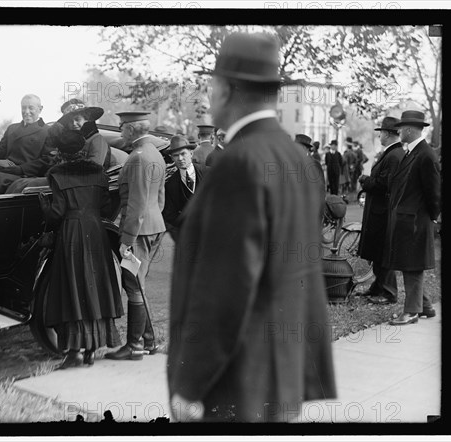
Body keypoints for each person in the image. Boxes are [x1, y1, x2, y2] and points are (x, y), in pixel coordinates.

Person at [168, 32, 336, 422]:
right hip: (283, 369)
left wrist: (191, 384)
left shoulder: (238, 163)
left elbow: (226, 286)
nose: (209, 99)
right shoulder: (296, 157)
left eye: (212, 87)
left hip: (239, 379)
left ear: (228, 90)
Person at [38, 130, 124, 369]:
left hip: (72, 232)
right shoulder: (99, 172)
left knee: (73, 287)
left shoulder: (57, 174)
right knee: (94, 286)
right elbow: (106, 207)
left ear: (62, 153)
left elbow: (56, 213)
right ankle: (91, 350)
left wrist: (44, 206)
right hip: (96, 231)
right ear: (82, 150)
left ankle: (74, 352)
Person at [104, 111, 167, 361]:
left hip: (139, 230)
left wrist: (127, 240)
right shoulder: (155, 154)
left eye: (122, 127)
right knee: (138, 282)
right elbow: (159, 198)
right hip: (152, 225)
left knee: (132, 285)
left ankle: (134, 346)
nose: (120, 131)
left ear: (131, 129)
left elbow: (137, 204)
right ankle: (149, 342)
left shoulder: (139, 158)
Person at [383, 110, 440, 325]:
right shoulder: (414, 152)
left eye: (400, 128)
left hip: (417, 221)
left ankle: (412, 312)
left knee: (412, 266)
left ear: (408, 129)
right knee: (410, 263)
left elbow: (434, 193)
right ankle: (424, 306)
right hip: (410, 219)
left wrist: (432, 218)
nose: (398, 132)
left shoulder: (425, 155)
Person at [356, 117, 405, 304]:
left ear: (388, 133)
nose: (379, 135)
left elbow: (385, 184)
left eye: (381, 132)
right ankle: (378, 288)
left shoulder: (394, 155)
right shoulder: (392, 153)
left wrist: (365, 181)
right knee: (378, 252)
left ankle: (389, 292)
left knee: (384, 254)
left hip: (384, 212)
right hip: (380, 211)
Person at [0, 94, 51, 194]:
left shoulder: (47, 131)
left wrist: (21, 169)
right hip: (5, 169)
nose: (26, 112)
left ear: (40, 109)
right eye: (23, 108)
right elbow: (0, 152)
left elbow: (47, 160)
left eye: (31, 108)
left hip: (25, 175)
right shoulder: (12, 128)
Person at [162, 135, 207, 240]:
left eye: (183, 154)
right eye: (176, 155)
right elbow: (169, 214)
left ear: (191, 153)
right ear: (172, 158)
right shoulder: (171, 184)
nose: (180, 158)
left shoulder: (208, 173)